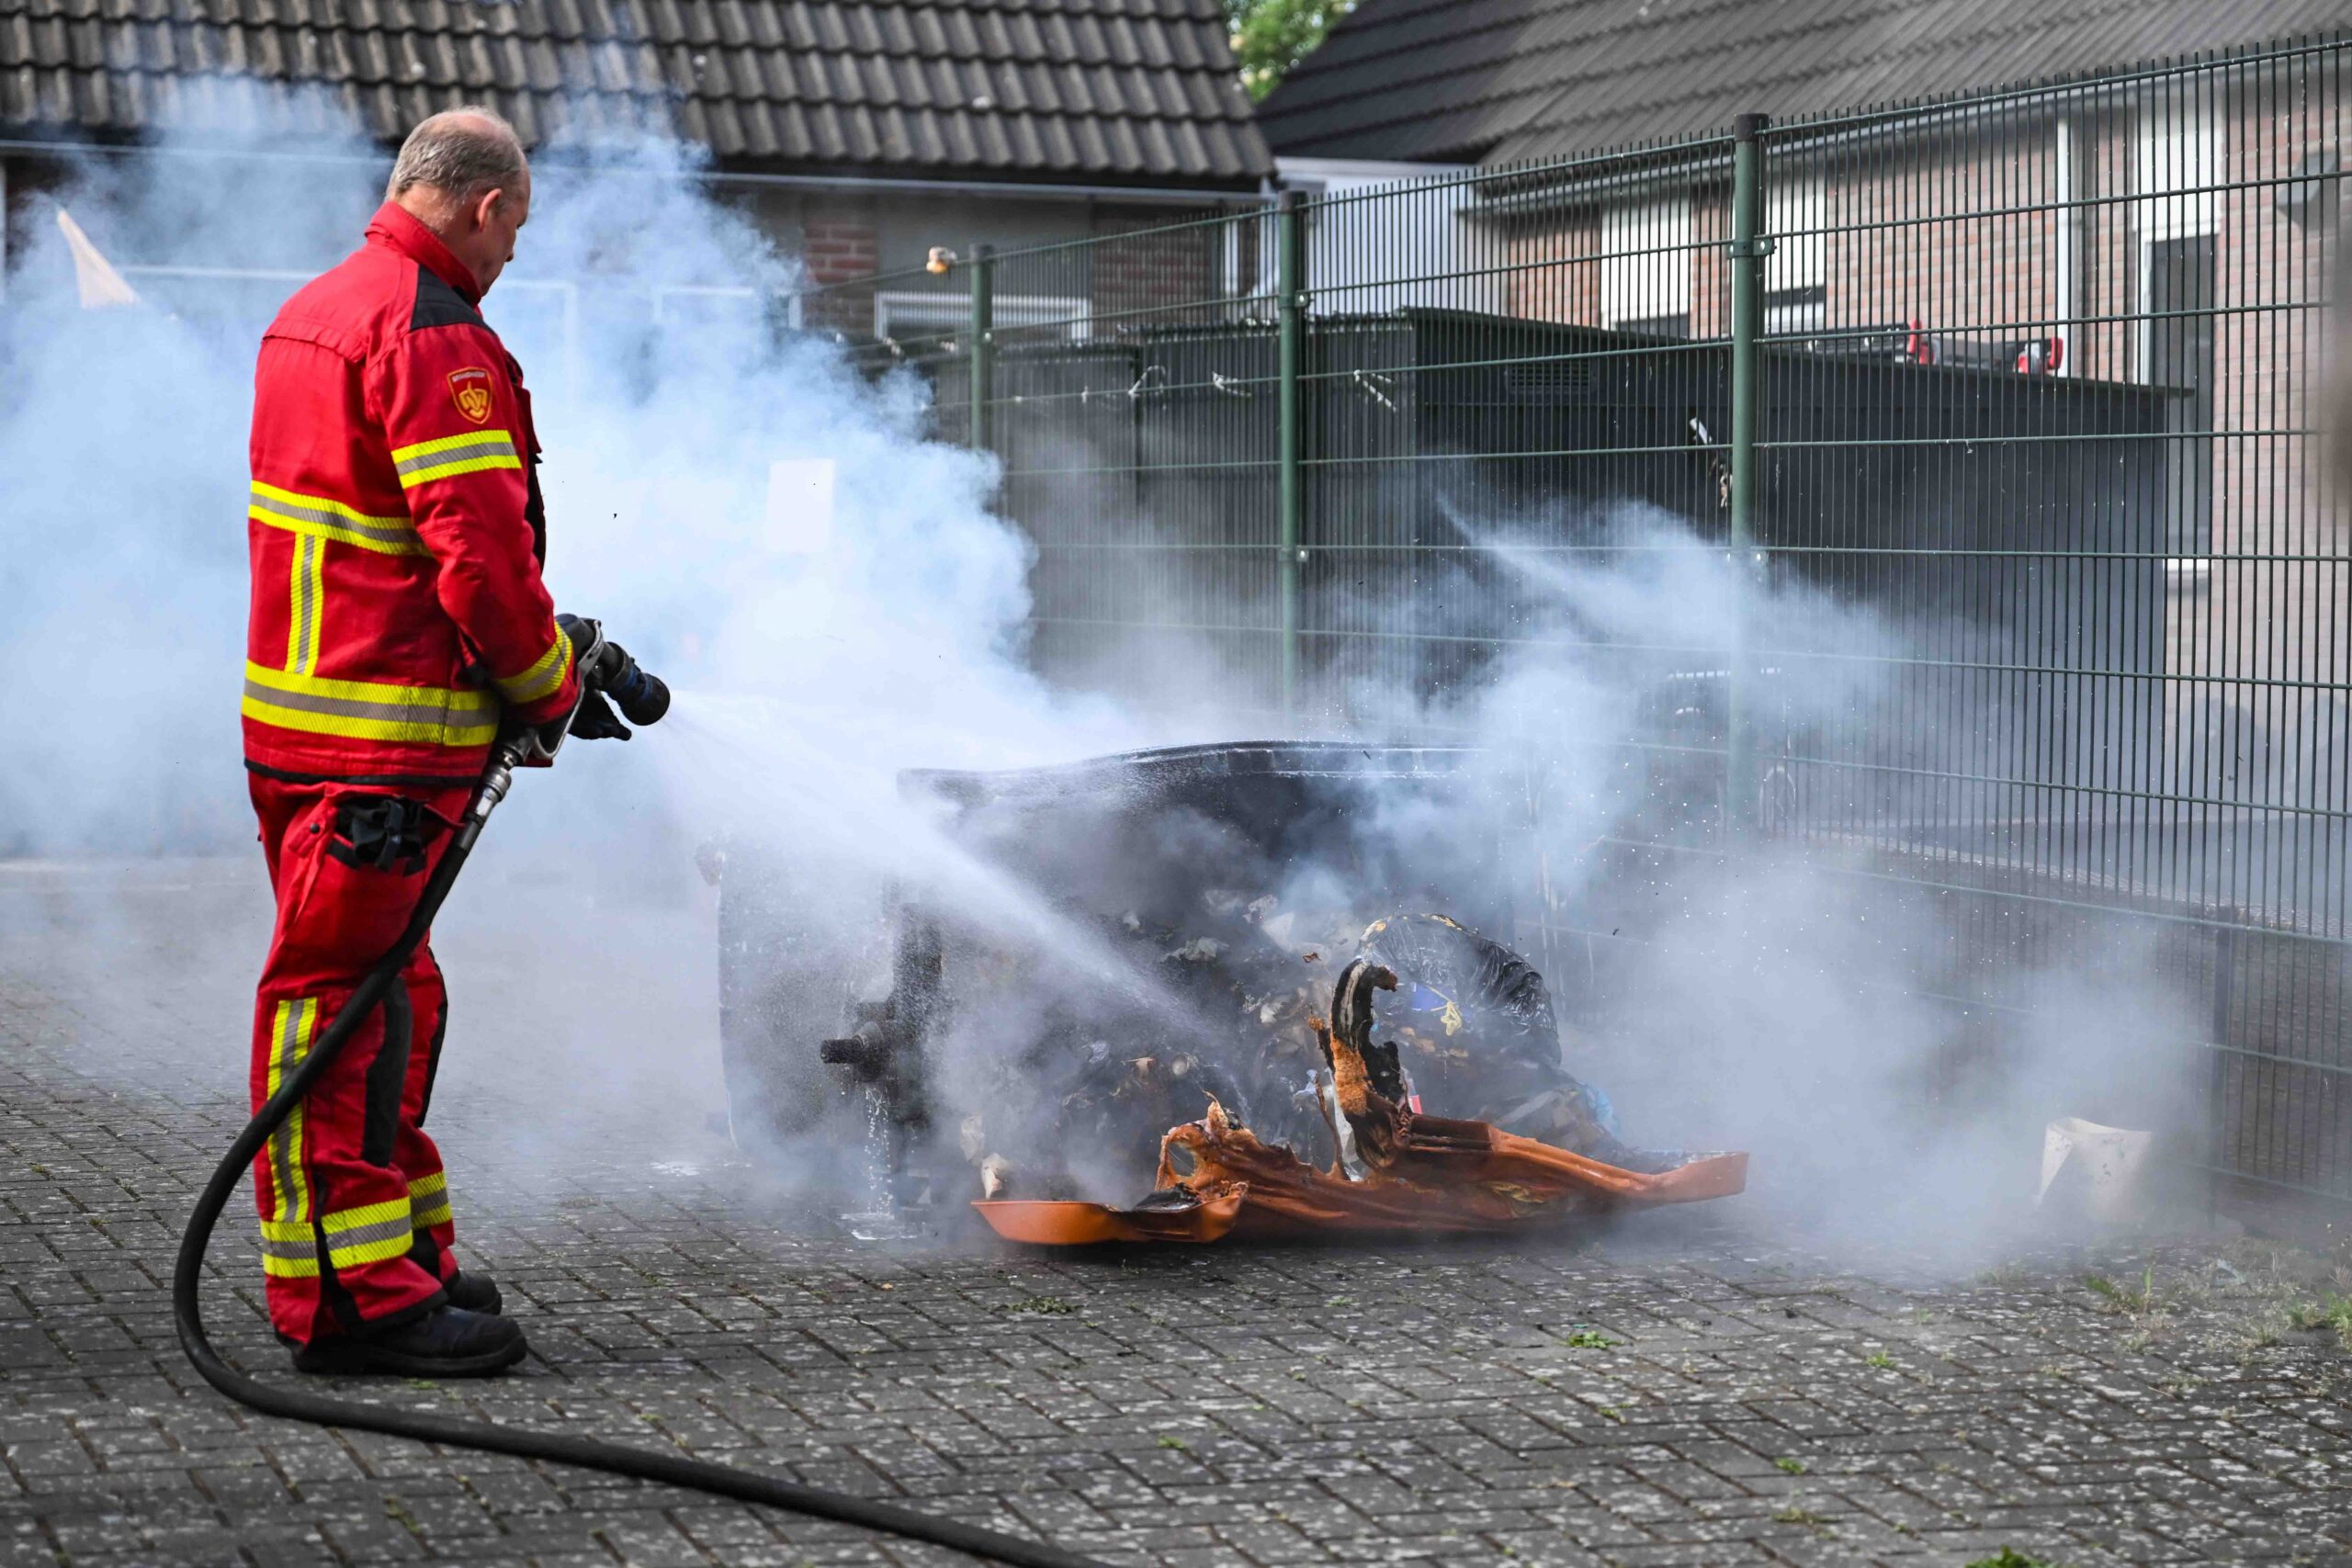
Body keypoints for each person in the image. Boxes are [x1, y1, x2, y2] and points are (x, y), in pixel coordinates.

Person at [242, 107, 587, 1376]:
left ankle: (398, 1253)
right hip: (381, 746)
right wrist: (545, 684)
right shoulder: (428, 331)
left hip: (313, 729)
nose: (511, 261)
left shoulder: (315, 310)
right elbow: (480, 558)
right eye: (516, 234)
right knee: (338, 1011)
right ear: (486, 206)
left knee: (389, 999)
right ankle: (344, 1304)